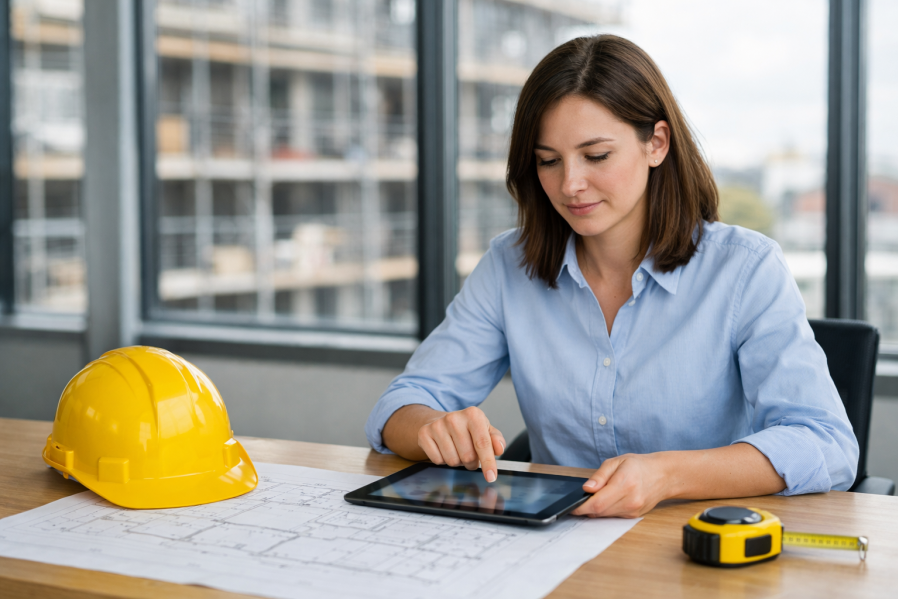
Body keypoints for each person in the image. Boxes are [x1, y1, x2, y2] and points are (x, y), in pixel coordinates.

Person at [365, 35, 858, 518]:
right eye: (548, 161)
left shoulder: (746, 269)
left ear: (656, 144)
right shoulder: (508, 266)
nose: (570, 184)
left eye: (596, 156)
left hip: (699, 544)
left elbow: (826, 441)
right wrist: (433, 426)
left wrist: (667, 475)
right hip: (555, 544)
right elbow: (400, 405)